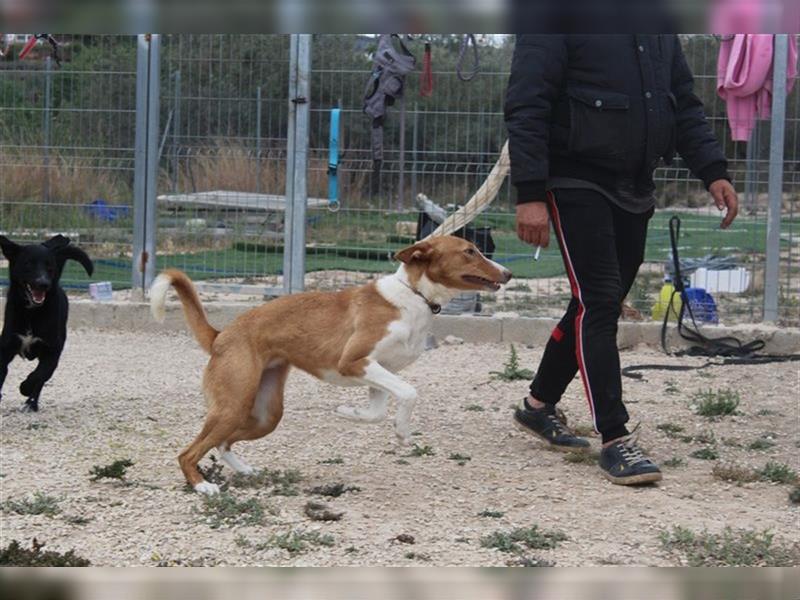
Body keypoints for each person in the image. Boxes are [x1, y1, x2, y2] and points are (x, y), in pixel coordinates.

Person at [504, 35, 738, 485]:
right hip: (573, 177)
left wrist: (713, 170)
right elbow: (527, 103)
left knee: (593, 301)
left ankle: (537, 406)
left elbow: (683, 103)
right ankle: (614, 437)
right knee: (600, 301)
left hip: (633, 181)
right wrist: (530, 193)